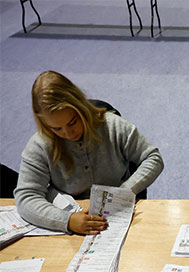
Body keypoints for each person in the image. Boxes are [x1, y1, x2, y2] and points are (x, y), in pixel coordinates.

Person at [14, 71, 164, 235]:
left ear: (81, 107)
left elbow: (153, 158)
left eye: (73, 122)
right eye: (56, 128)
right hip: (71, 216)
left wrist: (124, 191)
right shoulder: (40, 144)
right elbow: (26, 197)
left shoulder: (112, 126)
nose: (68, 133)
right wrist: (67, 220)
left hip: (117, 213)